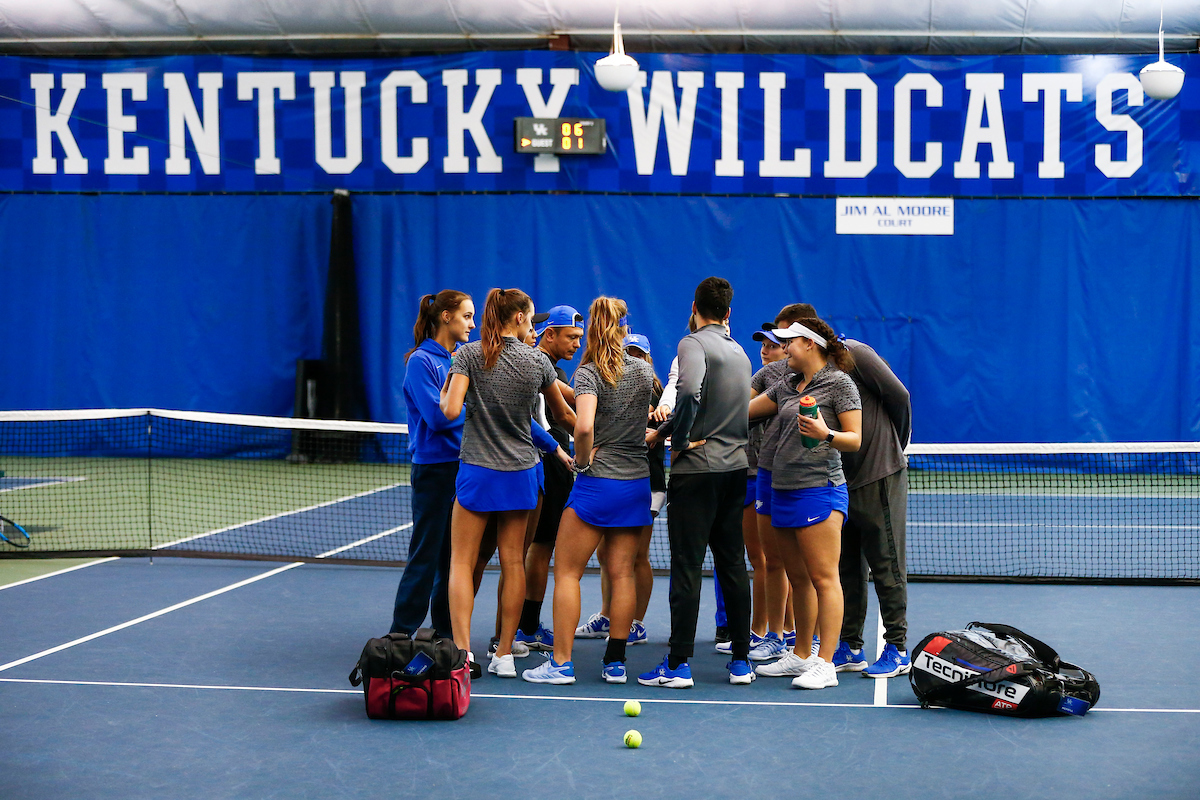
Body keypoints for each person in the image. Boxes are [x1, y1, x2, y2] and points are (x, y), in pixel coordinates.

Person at [440, 288, 574, 678]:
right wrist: (593, 443)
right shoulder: (536, 362)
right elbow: (565, 415)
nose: (532, 325)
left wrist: (449, 387)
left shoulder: (467, 354)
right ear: (517, 318)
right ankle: (504, 654)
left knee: (461, 563)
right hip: (520, 475)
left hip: (477, 474)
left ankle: (463, 653)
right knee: (513, 561)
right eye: (531, 318)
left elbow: (449, 411)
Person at [522, 297, 656, 685]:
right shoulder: (644, 373)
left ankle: (561, 663)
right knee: (622, 575)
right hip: (636, 485)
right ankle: (615, 662)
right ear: (624, 328)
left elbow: (582, 428)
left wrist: (581, 462)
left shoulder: (590, 373)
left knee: (566, 572)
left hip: (598, 484)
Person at [640, 277, 755, 688]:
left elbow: (688, 391)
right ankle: (742, 661)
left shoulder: (692, 343)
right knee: (732, 565)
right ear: (728, 313)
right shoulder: (740, 352)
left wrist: (681, 437)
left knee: (687, 568)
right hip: (734, 470)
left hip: (697, 472)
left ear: (694, 307)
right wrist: (666, 430)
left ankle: (678, 664)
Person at [749, 317, 861, 690]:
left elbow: (854, 439)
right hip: (782, 489)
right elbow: (745, 411)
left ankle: (825, 663)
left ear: (809, 344)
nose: (783, 349)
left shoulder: (840, 384)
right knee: (798, 578)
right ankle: (799, 655)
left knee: (824, 578)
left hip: (819, 489)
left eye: (789, 343)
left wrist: (825, 433)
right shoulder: (788, 383)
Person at [389, 291, 474, 642]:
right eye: (467, 316)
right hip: (434, 471)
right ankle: (400, 632)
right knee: (425, 552)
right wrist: (480, 413)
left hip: (464, 467)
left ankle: (445, 631)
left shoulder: (459, 359)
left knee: (452, 557)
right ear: (445, 318)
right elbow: (439, 418)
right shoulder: (422, 362)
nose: (472, 324)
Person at [831, 334, 913, 678]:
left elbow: (900, 396)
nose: (783, 346)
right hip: (840, 481)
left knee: (886, 565)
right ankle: (850, 645)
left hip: (878, 475)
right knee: (846, 568)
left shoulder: (856, 353)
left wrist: (894, 446)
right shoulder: (810, 375)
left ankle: (898, 647)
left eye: (788, 338)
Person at [575, 332, 663, 645]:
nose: (634, 358)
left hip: (646, 483)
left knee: (635, 558)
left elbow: (668, 424)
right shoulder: (608, 383)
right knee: (607, 555)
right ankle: (607, 616)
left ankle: (635, 623)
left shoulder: (652, 390)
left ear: (648, 359)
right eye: (630, 352)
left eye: (639, 354)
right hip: (615, 479)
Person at [515, 305, 584, 651]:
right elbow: (570, 411)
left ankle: (522, 625)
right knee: (538, 548)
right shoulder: (541, 366)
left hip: (547, 462)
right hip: (549, 463)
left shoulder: (549, 366)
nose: (576, 344)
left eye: (579, 339)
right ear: (549, 334)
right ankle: (524, 627)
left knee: (534, 548)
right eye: (570, 337)